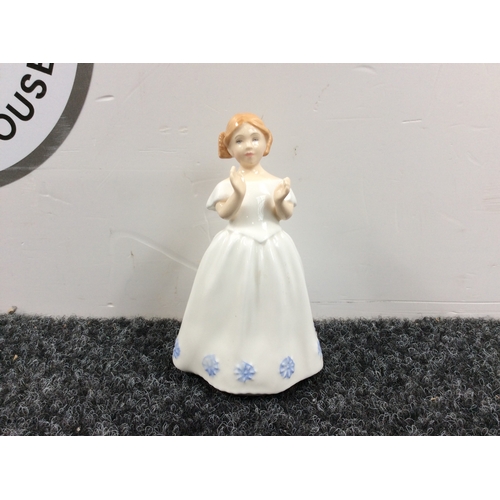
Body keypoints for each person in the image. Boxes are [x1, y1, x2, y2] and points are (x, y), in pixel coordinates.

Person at [173, 113, 323, 394]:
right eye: (239, 140)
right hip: (236, 247)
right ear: (229, 148)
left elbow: (283, 215)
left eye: (255, 138)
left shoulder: (276, 183)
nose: (248, 146)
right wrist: (238, 194)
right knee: (231, 300)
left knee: (275, 301)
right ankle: (223, 356)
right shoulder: (228, 184)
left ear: (267, 143)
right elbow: (225, 213)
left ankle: (279, 359)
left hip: (273, 248)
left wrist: (280, 199)